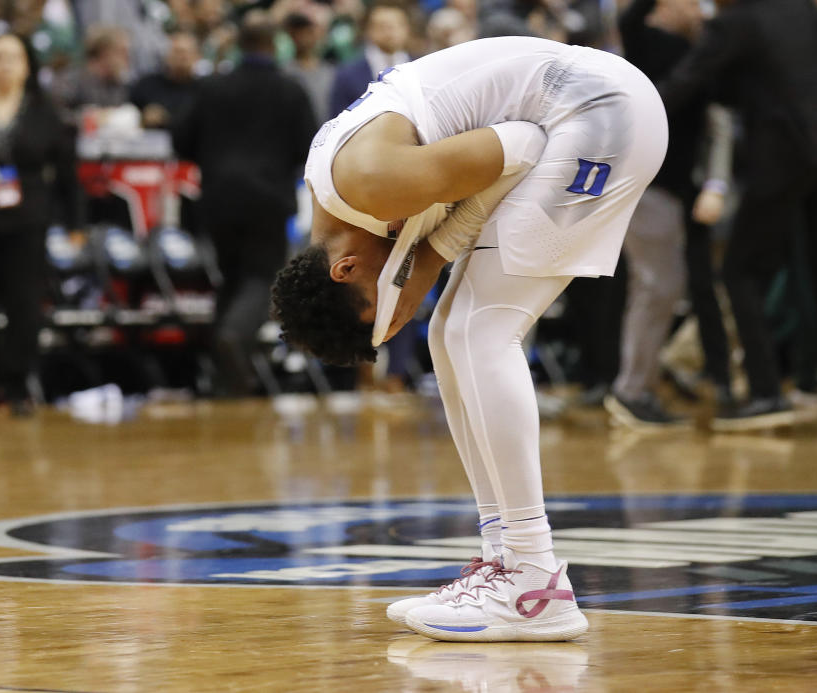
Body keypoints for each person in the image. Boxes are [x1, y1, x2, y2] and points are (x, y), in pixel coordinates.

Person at [272, 36, 667, 640]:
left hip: (599, 109)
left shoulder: (374, 184)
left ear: (345, 269)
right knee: (449, 333)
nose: (400, 299)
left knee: (484, 331)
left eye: (385, 308)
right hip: (585, 110)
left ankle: (534, 577)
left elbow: (523, 145)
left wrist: (433, 252)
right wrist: (432, 253)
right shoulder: (345, 200)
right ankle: (503, 561)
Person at [660, 0, 817, 430]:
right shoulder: (804, 12)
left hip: (784, 153)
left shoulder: (735, 24)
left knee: (740, 271)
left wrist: (624, 107)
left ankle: (766, 394)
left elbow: (688, 80)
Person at [172, 11, 315, 397]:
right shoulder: (290, 89)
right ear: (274, 46)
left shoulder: (212, 87)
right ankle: (233, 340)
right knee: (260, 279)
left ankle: (226, 380)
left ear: (239, 46)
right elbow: (310, 146)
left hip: (217, 199)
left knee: (231, 279)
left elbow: (181, 141)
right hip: (269, 200)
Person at [607, 0, 734, 428]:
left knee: (661, 288)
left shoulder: (695, 48)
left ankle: (636, 388)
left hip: (672, 191)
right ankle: (631, 391)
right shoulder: (645, 41)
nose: (700, 9)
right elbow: (628, 17)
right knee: (657, 288)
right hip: (649, 187)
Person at [0, 33, 80, 414]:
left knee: (24, 304)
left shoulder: (45, 111)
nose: (4, 65)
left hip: (28, 219)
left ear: (27, 65)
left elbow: (67, 173)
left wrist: (77, 223)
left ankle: (16, 384)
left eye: (13, 57)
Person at [327, 0, 411, 119]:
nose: (390, 31)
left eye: (397, 25)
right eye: (382, 26)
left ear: (407, 29)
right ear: (368, 30)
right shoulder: (347, 74)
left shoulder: (420, 67)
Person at [130, 31, 200, 129]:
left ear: (197, 57)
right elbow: (127, 115)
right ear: (167, 55)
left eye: (187, 52)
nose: (182, 57)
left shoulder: (203, 90)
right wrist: (143, 117)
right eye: (177, 52)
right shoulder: (147, 84)